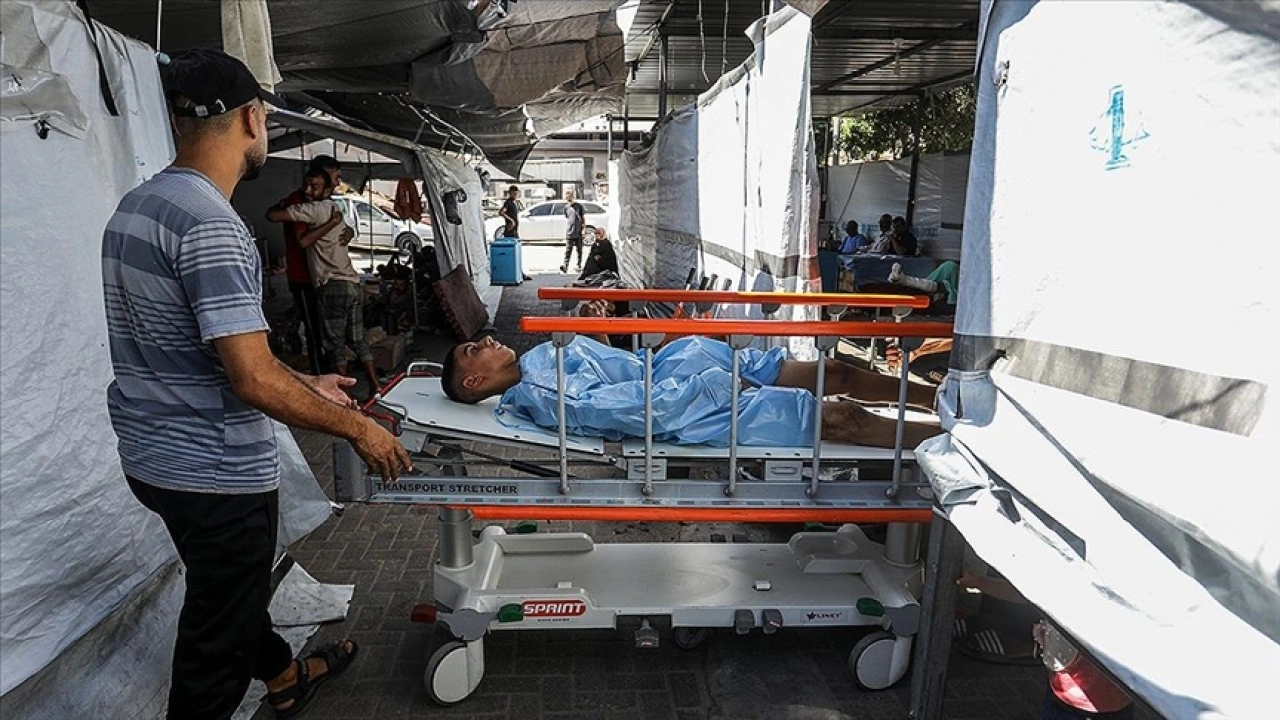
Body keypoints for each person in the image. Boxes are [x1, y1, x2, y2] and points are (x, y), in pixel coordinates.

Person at [101, 48, 411, 720]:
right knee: (213, 643)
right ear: (251, 118)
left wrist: (307, 381)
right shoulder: (211, 223)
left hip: (153, 460)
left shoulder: (139, 205)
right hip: (213, 473)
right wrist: (358, 428)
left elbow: (209, 353)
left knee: (228, 592)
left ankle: (283, 676)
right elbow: (249, 378)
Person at [439, 302, 940, 449]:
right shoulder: (543, 392)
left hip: (691, 366)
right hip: (703, 407)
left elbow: (614, 379)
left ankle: (933, 397)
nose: (486, 340)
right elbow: (644, 410)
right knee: (843, 419)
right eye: (473, 350)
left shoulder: (540, 358)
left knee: (835, 370)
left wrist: (600, 332)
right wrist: (721, 385)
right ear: (475, 382)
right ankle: (949, 437)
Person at [266, 171, 380, 396]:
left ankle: (342, 393)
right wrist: (334, 223)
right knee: (358, 340)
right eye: (307, 185)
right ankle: (376, 385)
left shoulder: (313, 209)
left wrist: (284, 204)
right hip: (352, 283)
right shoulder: (335, 208)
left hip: (333, 286)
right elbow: (345, 231)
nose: (308, 191)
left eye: (314, 187)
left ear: (327, 190)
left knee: (335, 345)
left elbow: (273, 217)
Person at [559, 188, 586, 273]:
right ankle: (565, 266)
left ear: (573, 196)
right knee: (568, 250)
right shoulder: (566, 207)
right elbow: (567, 217)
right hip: (569, 232)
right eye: (567, 196)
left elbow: (583, 217)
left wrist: (583, 229)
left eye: (569, 195)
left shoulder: (579, 206)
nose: (568, 197)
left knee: (579, 250)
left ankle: (579, 264)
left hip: (578, 231)